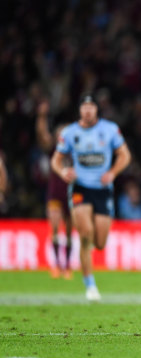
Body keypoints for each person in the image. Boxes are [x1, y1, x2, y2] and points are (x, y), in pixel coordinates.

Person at [51, 95, 131, 301]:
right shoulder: (69, 133)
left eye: (91, 106)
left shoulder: (110, 129)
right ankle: (90, 285)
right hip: (80, 188)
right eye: (84, 106)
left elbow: (125, 155)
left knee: (100, 242)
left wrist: (112, 173)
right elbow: (56, 160)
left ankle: (88, 270)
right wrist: (62, 172)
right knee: (85, 233)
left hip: (102, 189)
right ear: (80, 110)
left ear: (96, 109)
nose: (87, 110)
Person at [36, 101, 74, 279]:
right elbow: (42, 135)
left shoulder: (75, 152)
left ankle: (67, 266)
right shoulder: (54, 150)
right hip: (55, 194)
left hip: (72, 195)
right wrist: (42, 116)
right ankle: (57, 265)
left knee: (68, 231)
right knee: (54, 228)